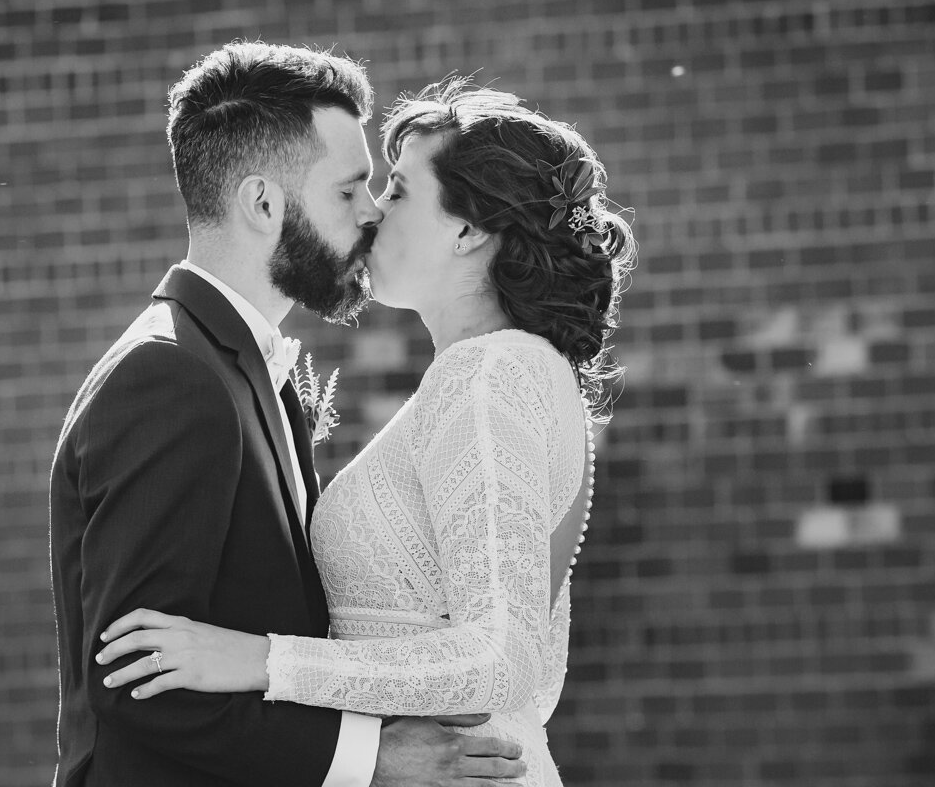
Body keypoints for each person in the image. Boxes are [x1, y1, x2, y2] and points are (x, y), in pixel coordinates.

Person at [95, 79, 636, 787]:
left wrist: (259, 660)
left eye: (401, 191)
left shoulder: (488, 376)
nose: (375, 213)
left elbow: (503, 658)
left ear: (469, 231)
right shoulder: (504, 371)